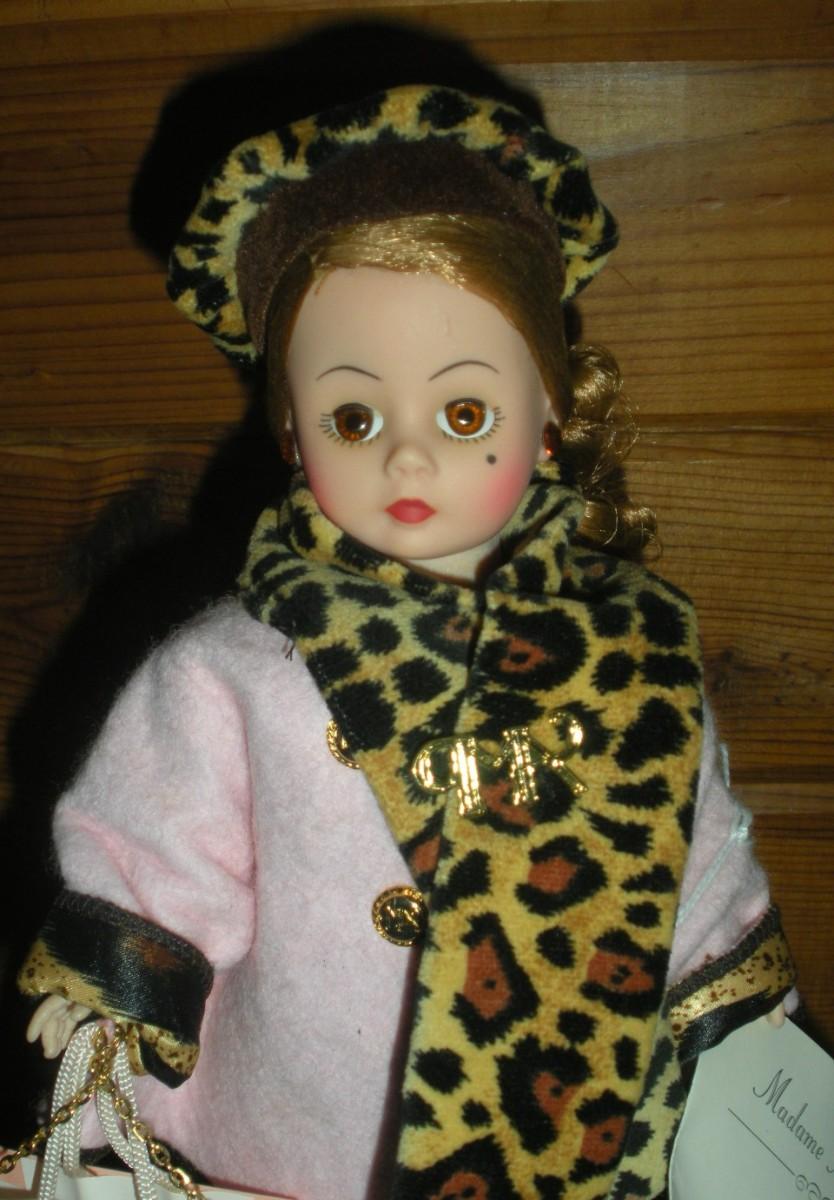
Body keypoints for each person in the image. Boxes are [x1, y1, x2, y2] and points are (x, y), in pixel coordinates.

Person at [19, 85, 794, 1200]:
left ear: (550, 413)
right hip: (284, 1139)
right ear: (294, 434)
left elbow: (699, 870)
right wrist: (118, 981)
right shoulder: (236, 669)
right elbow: (161, 841)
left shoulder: (628, 660)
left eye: (465, 414)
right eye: (354, 418)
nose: (409, 458)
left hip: (553, 1128)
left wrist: (744, 1022)